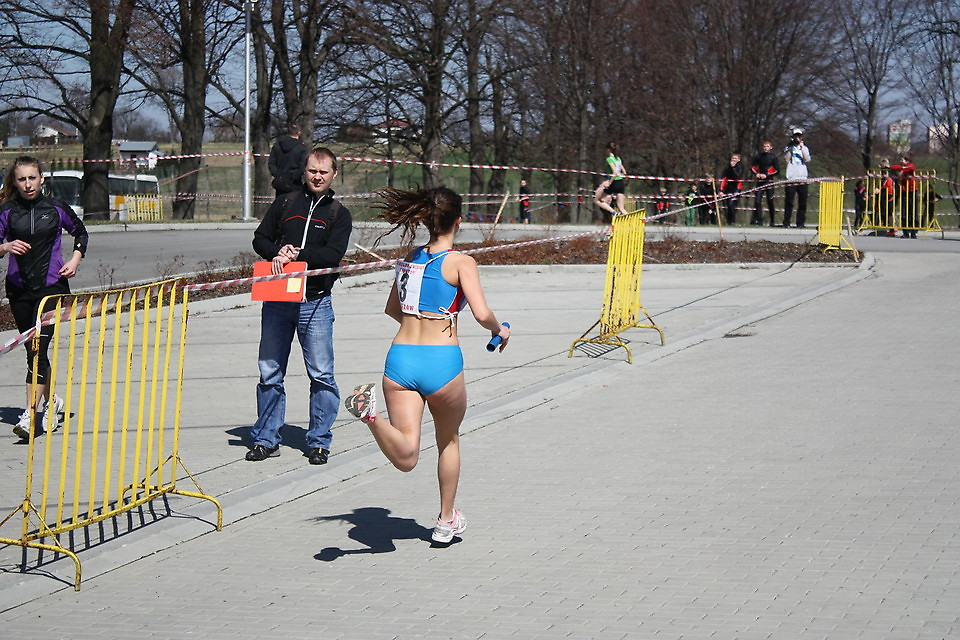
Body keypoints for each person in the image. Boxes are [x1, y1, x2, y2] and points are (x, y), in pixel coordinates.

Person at [342, 186, 510, 544]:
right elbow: (482, 313)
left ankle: (372, 417)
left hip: (400, 359)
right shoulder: (461, 262)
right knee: (448, 440)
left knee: (406, 456)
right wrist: (500, 330)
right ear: (458, 221)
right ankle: (446, 521)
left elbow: (392, 309)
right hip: (440, 361)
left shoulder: (409, 258)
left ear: (426, 221)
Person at [247, 147, 353, 465]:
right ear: (304, 172)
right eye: (312, 171)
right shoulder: (285, 203)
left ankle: (319, 441)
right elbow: (260, 239)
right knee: (270, 371)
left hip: (315, 303)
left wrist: (298, 255)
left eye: (323, 171)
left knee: (321, 374)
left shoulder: (338, 214)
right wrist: (277, 252)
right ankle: (266, 439)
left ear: (334, 175)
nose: (317, 177)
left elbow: (332, 255)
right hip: (278, 299)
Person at [0, 156, 87, 440]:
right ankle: (52, 402)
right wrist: (6, 246)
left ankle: (29, 414)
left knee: (38, 349)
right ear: (15, 182)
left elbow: (80, 232)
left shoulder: (56, 208)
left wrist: (74, 260)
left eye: (32, 178)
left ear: (42, 179)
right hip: (19, 290)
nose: (28, 184)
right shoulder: (7, 211)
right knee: (33, 351)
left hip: (52, 288)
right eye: (22, 179)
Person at [268, 123, 309, 197]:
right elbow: (303, 167)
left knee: (280, 203)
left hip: (280, 184)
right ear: (299, 132)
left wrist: (278, 175)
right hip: (295, 185)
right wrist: (292, 176)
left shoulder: (277, 146)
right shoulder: (302, 148)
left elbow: (271, 163)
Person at [782, 129, 811, 228]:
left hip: (802, 178)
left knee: (802, 202)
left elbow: (807, 159)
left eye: (799, 136)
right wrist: (791, 148)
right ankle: (786, 222)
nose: (797, 138)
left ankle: (800, 223)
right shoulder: (788, 148)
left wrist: (801, 147)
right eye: (795, 136)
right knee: (789, 201)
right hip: (791, 177)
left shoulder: (805, 148)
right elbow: (787, 160)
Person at [594, 142, 628, 218]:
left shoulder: (609, 159)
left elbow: (614, 172)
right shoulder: (618, 159)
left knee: (597, 200)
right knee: (621, 208)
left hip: (614, 182)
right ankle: (631, 221)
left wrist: (609, 182)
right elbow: (624, 172)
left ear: (608, 150)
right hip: (620, 182)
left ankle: (614, 212)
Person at [751, 140, 779, 226]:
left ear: (771, 147)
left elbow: (777, 170)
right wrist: (757, 174)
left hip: (769, 182)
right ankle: (759, 221)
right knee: (757, 201)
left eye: (767, 146)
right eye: (764, 146)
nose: (766, 148)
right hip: (760, 182)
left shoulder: (773, 157)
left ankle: (772, 221)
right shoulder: (759, 156)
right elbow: (752, 167)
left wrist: (767, 175)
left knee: (770, 201)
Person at [891, 153, 919, 238]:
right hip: (904, 190)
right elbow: (893, 167)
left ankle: (913, 231)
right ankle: (905, 232)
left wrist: (903, 169)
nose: (900, 161)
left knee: (913, 211)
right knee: (904, 212)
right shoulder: (901, 168)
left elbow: (911, 168)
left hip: (912, 190)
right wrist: (902, 168)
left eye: (902, 160)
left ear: (907, 160)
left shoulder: (911, 166)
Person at [719, 153, 744, 226]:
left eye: (736, 158)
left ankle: (733, 221)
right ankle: (729, 222)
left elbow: (737, 177)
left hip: (737, 188)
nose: (734, 160)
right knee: (728, 205)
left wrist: (733, 168)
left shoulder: (740, 166)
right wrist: (721, 190)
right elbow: (724, 178)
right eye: (733, 158)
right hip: (728, 188)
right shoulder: (727, 167)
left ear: (739, 159)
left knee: (732, 203)